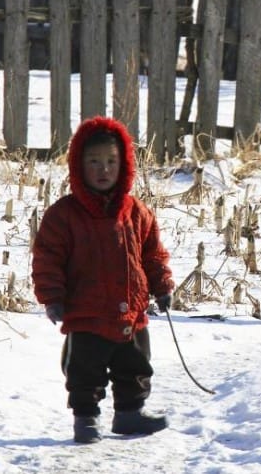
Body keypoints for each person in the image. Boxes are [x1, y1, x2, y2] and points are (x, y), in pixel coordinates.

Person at [32, 116, 175, 444]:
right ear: (78, 165)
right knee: (84, 370)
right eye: (94, 162)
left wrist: (162, 285)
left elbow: (152, 254)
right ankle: (86, 420)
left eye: (111, 161)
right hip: (86, 313)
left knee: (136, 365)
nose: (103, 169)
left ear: (123, 164)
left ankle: (129, 414)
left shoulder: (137, 213)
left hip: (131, 313)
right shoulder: (64, 215)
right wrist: (53, 297)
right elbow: (47, 259)